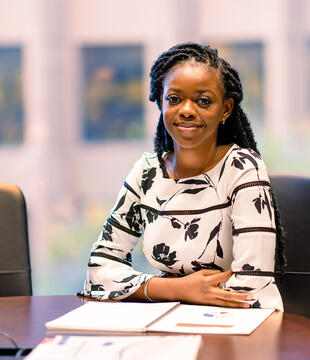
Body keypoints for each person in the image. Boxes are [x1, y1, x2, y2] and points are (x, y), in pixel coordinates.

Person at [80, 42, 286, 310]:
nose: (187, 110)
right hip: (171, 316)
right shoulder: (147, 172)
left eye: (203, 101)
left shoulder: (242, 168)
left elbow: (250, 285)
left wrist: (164, 291)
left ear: (225, 109)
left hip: (243, 322)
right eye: (174, 99)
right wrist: (179, 289)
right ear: (161, 102)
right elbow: (98, 270)